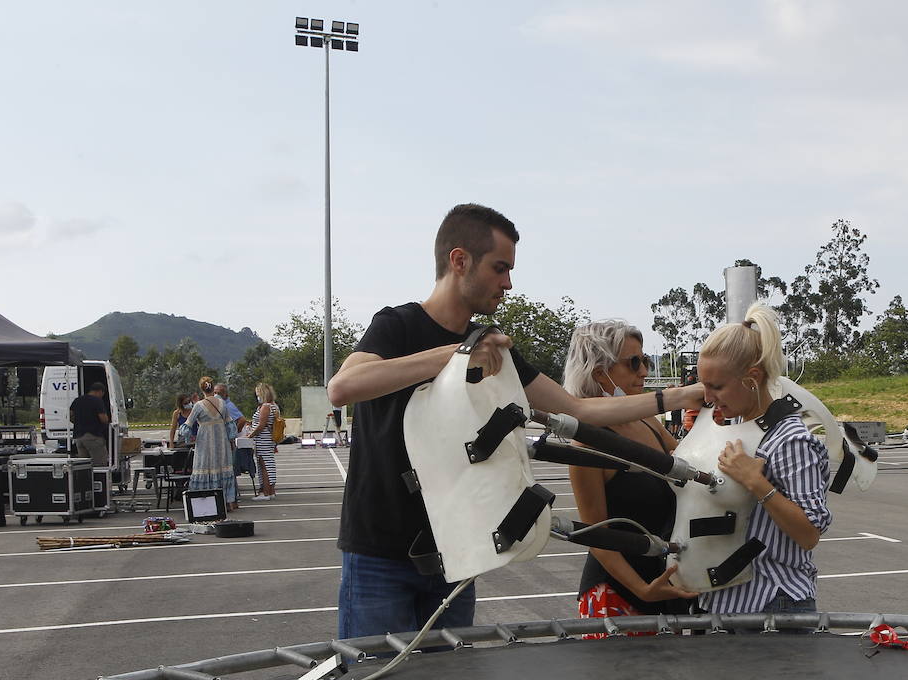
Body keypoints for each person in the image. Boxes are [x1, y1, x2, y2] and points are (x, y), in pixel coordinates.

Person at [326, 203, 704, 641]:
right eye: (500, 268)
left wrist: (682, 394)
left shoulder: (495, 346)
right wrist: (455, 356)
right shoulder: (398, 326)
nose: (508, 283)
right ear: (459, 260)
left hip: (458, 550)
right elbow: (344, 387)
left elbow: (578, 410)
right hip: (380, 554)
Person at [562, 321, 697, 634]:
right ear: (599, 373)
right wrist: (642, 589)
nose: (644, 372)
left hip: (664, 587)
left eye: (645, 360)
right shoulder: (589, 442)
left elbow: (691, 467)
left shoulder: (647, 421)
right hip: (618, 594)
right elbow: (596, 535)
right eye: (633, 362)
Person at [696, 304, 831, 615]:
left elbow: (809, 533)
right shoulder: (734, 428)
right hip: (721, 601)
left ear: (752, 378)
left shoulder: (791, 439)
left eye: (716, 386)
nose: (707, 397)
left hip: (772, 602)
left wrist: (757, 483)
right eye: (704, 385)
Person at [185, 376, 238, 512]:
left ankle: (206, 504)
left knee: (204, 468)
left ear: (201, 388)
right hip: (222, 443)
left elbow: (187, 426)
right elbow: (230, 426)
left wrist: (187, 438)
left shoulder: (198, 406)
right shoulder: (222, 403)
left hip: (205, 443)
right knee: (222, 469)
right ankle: (226, 502)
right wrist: (231, 440)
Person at [244, 383, 279, 501]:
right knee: (269, 464)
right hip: (269, 439)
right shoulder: (274, 406)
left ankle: (266, 492)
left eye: (258, 394)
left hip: (263, 439)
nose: (257, 396)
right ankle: (271, 490)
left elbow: (261, 425)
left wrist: (250, 435)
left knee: (264, 464)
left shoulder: (265, 407)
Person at [69, 381, 110, 467]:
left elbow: (70, 416)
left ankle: (85, 480)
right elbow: (103, 419)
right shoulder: (97, 401)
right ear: (100, 391)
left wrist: (79, 422)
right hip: (93, 436)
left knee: (84, 466)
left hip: (78, 437)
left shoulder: (77, 400)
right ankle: (99, 480)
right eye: (102, 394)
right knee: (99, 463)